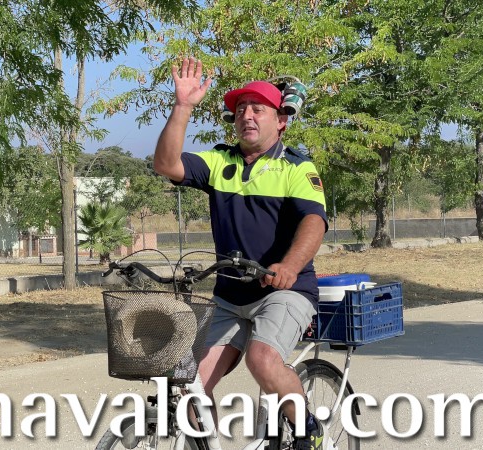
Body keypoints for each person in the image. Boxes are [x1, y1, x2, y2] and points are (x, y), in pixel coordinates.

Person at [153, 57, 328, 449]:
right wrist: (182, 106)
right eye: (241, 109)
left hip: (284, 291)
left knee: (262, 360)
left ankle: (306, 429)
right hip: (230, 297)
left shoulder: (297, 168)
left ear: (280, 121)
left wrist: (289, 265)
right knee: (189, 385)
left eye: (258, 109)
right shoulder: (220, 162)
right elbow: (165, 163)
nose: (247, 115)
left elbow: (314, 222)